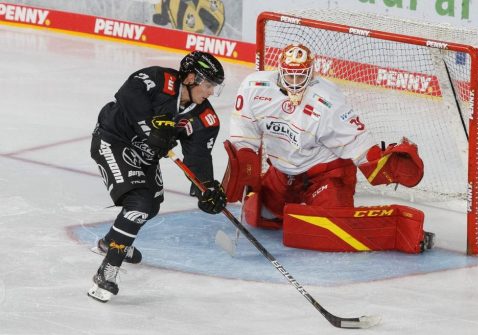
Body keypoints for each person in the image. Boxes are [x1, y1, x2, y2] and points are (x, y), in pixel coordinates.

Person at [222, 43, 434, 254]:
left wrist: (380, 162)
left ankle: (399, 231)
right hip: (283, 172)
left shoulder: (328, 101)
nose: (294, 81)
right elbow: (243, 133)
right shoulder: (254, 88)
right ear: (279, 70)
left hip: (325, 175)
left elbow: (357, 143)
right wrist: (243, 169)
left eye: (300, 75)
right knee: (259, 215)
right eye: (290, 75)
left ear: (311, 72)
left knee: (336, 232)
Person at [88, 51, 227, 302]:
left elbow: (198, 156)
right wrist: (150, 127)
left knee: (150, 205)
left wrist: (205, 187)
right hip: (114, 140)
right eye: (207, 85)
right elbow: (127, 94)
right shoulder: (159, 79)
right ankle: (108, 270)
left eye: (214, 87)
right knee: (138, 204)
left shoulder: (205, 119)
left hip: (146, 155)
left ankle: (112, 242)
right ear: (191, 78)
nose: (210, 92)